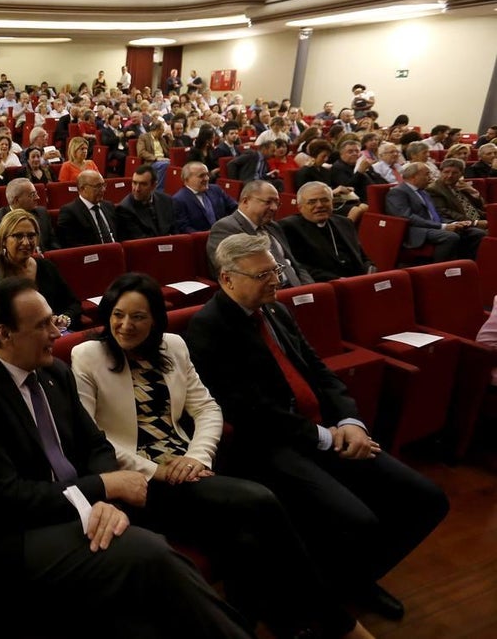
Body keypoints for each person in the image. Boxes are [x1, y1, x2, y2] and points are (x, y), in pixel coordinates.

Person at [0, 277, 252, 637]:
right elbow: (6, 499)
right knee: (152, 554)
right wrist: (100, 488)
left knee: (207, 523)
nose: (57, 332)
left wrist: (100, 496)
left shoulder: (53, 372)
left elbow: (96, 445)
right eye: (42, 325)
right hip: (17, 536)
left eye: (54, 319)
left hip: (80, 507)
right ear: (5, 334)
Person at [74, 274, 371, 638]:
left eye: (138, 317)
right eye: (118, 315)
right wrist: (160, 470)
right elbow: (93, 437)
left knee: (245, 541)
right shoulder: (87, 355)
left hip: (189, 470)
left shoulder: (173, 347)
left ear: (155, 321)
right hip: (140, 480)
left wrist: (197, 458)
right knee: (261, 500)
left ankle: (257, 625)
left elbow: (208, 409)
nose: (125, 325)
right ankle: (335, 621)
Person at [186, 233, 449, 621]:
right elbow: (252, 412)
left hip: (327, 429)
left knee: (428, 499)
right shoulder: (208, 328)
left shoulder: (275, 311)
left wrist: (351, 421)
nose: (276, 279)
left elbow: (319, 370)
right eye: (263, 275)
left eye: (275, 269)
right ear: (227, 279)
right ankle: (333, 590)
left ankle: (348, 580)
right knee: (359, 521)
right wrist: (326, 437)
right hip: (270, 446)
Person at [0, 209, 80, 327]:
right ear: (3, 241)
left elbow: (73, 304)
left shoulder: (46, 267)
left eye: (31, 235)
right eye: (18, 236)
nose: (26, 242)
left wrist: (64, 318)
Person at [206, 180, 313, 286]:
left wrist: (310, 288)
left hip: (296, 290)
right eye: (268, 202)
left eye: (277, 203)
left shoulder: (273, 226)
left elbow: (293, 264)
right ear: (245, 201)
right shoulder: (225, 228)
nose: (274, 208)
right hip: (267, 295)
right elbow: (237, 275)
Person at [384, 162, 483, 261]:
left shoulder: (424, 192)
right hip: (415, 230)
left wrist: (454, 223)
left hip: (434, 226)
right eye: (427, 174)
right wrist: (442, 226)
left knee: (475, 232)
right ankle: (441, 270)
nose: (431, 177)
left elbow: (435, 215)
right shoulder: (398, 192)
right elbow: (407, 217)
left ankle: (467, 265)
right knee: (450, 237)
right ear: (414, 177)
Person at [280, 182, 377, 282]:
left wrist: (370, 269)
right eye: (312, 202)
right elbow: (297, 266)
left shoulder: (345, 222)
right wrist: (336, 280)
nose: (320, 205)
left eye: (325, 200)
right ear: (300, 207)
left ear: (332, 203)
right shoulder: (288, 227)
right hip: (324, 286)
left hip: (359, 281)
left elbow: (362, 256)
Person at [0, 177, 58, 250]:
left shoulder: (42, 213)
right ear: (16, 200)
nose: (38, 197)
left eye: (36, 193)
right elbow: (0, 250)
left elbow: (53, 243)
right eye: (32, 195)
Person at [56, 170, 118, 248]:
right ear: (82, 189)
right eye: (98, 186)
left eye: (103, 185)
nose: (103, 189)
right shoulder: (69, 212)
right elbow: (70, 245)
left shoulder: (108, 206)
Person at [173, 161, 238, 233]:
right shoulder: (179, 199)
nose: (207, 178)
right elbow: (184, 228)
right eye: (201, 176)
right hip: (201, 240)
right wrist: (206, 235)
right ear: (186, 179)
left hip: (225, 234)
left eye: (207, 175)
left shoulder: (216, 189)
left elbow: (234, 207)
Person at [114, 164, 177, 240]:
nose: (137, 189)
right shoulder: (125, 209)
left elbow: (175, 228)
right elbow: (141, 240)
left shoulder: (165, 200)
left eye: (143, 184)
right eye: (134, 183)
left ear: (154, 185)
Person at [426, 158, 487, 230]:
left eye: (454, 173)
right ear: (440, 172)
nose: (450, 176)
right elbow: (444, 211)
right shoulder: (434, 189)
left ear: (461, 174)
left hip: (480, 218)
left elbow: (480, 206)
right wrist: (475, 222)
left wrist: (473, 191)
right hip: (459, 223)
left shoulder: (461, 185)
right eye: (446, 172)